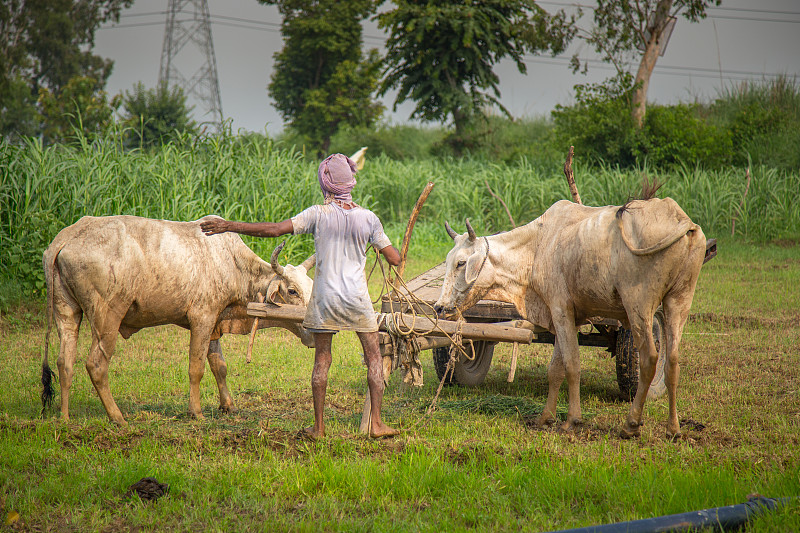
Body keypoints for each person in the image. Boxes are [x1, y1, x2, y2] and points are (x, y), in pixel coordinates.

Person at [200, 153, 401, 439]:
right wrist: (390, 250)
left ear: (326, 183)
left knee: (322, 360)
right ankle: (377, 424)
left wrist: (229, 225)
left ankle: (318, 428)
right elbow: (393, 258)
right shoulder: (369, 219)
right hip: (357, 301)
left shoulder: (317, 214)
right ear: (350, 183)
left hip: (325, 300)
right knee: (373, 358)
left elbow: (273, 230)